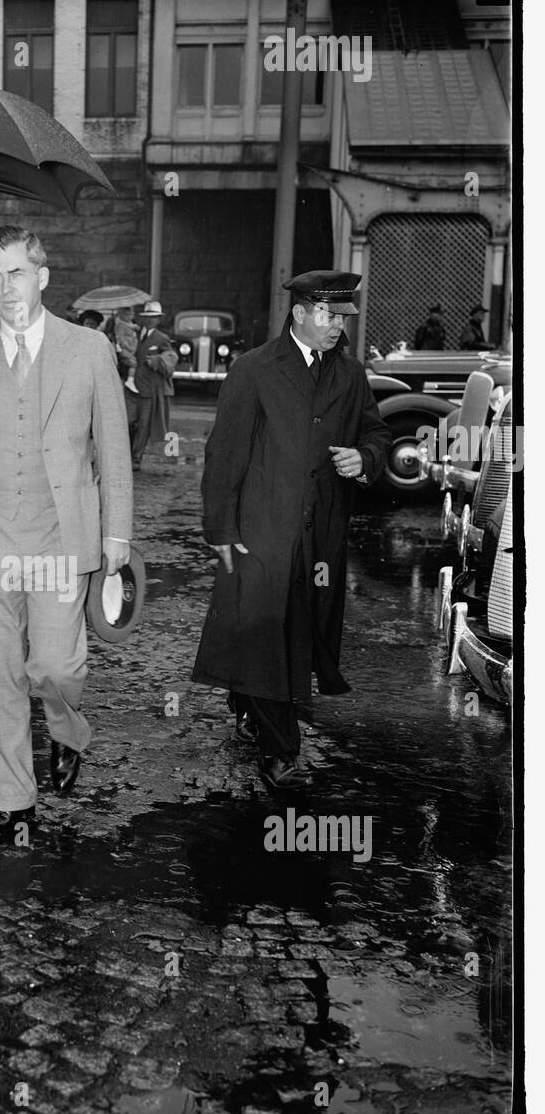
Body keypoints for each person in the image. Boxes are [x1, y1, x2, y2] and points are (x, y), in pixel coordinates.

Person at [0, 225, 132, 844]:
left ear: (42, 277)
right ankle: (13, 803)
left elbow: (113, 448)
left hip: (58, 538)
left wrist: (117, 535)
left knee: (54, 665)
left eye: (16, 272)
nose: (4, 286)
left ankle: (67, 728)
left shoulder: (89, 350)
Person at [192, 270, 392, 790]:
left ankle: (246, 700)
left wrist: (364, 457)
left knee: (295, 628)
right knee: (262, 631)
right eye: (328, 315)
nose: (336, 327)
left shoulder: (350, 374)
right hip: (260, 527)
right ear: (300, 312)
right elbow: (225, 454)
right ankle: (280, 747)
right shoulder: (255, 369)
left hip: (320, 530)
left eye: (343, 317)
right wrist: (220, 528)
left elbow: (376, 432)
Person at [131, 299, 177, 468]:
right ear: (143, 318)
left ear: (158, 320)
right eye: (148, 316)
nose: (151, 320)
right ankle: (130, 453)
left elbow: (171, 357)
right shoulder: (135, 334)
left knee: (144, 424)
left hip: (150, 389)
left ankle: (136, 457)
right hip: (131, 386)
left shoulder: (162, 338)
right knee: (130, 422)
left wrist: (157, 361)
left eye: (154, 317)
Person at [113, 305, 140, 394]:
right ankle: (130, 381)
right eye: (127, 314)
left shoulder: (131, 324)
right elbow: (120, 339)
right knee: (133, 363)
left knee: (133, 363)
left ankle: (130, 380)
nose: (129, 316)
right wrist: (129, 347)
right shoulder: (120, 324)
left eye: (131, 314)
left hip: (132, 347)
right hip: (125, 348)